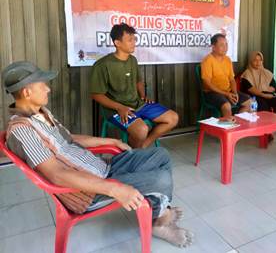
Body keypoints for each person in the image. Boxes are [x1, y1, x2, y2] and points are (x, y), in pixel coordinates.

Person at [2, 61, 193, 247]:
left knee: (161, 155)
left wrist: (112, 141)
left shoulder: (42, 113)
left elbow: (70, 139)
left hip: (101, 168)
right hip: (87, 191)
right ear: (27, 92)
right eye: (43, 85)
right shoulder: (22, 130)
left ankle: (157, 211)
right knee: (162, 179)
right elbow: (55, 174)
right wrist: (114, 189)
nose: (48, 89)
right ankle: (160, 221)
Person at [90, 23, 178, 149]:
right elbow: (96, 95)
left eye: (134, 39)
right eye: (130, 40)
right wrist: (119, 107)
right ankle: (133, 156)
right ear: (117, 43)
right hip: (115, 109)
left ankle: (141, 147)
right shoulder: (102, 65)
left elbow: (138, 81)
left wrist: (143, 95)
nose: (134, 42)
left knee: (173, 118)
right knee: (142, 130)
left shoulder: (132, 60)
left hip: (137, 104)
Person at [201, 33, 251, 118]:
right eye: (221, 45)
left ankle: (236, 123)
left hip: (228, 91)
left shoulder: (227, 60)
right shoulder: (207, 61)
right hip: (212, 93)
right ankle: (228, 127)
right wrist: (226, 94)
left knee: (248, 102)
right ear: (213, 47)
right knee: (226, 106)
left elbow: (232, 79)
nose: (225, 47)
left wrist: (235, 93)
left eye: (226, 44)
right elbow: (207, 84)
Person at [240, 51, 276, 117]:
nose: (258, 62)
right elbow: (251, 89)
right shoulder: (247, 74)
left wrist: (264, 91)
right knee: (263, 105)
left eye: (260, 60)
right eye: (255, 60)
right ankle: (265, 125)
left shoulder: (267, 73)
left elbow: (274, 87)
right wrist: (264, 93)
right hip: (255, 97)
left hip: (268, 95)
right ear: (251, 61)